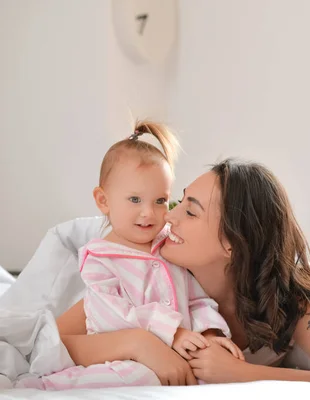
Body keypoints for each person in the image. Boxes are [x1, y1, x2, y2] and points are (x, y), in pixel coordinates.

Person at [56, 157, 310, 384]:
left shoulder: (290, 304)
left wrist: (243, 373)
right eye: (178, 201)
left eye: (190, 212)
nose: (168, 217)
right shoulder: (150, 275)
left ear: (233, 241)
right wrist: (140, 342)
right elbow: (52, 343)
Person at [17, 122, 242, 390]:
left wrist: (209, 334)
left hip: (177, 352)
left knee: (205, 379)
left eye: (159, 201)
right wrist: (174, 332)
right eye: (135, 200)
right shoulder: (100, 259)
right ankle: (42, 388)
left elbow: (197, 300)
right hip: (122, 354)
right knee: (135, 377)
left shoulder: (169, 248)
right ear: (103, 201)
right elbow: (114, 315)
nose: (149, 212)